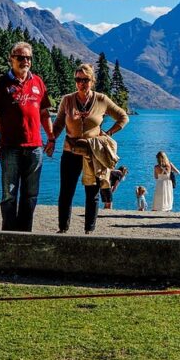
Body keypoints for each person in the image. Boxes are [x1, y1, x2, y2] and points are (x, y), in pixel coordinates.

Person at [51, 63, 128, 233]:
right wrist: (50, 140)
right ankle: (63, 229)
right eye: (78, 79)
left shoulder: (101, 99)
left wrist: (108, 133)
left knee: (92, 193)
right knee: (66, 192)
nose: (81, 83)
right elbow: (58, 125)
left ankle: (89, 231)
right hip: (70, 151)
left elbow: (123, 117)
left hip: (93, 153)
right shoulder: (67, 100)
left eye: (85, 79)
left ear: (92, 81)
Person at [0, 41, 55, 232]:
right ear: (11, 59)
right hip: (9, 147)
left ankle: (25, 233)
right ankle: (9, 233)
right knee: (9, 194)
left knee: (31, 194)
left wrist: (50, 137)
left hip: (35, 148)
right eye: (20, 57)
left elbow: (44, 114)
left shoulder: (38, 82)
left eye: (28, 58)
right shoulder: (1, 83)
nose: (24, 61)